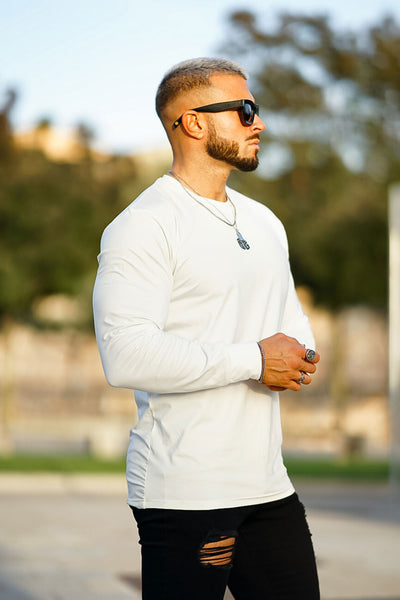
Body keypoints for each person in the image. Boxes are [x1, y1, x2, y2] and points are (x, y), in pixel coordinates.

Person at [93, 57, 320, 600]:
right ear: (193, 122)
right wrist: (255, 360)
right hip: (185, 492)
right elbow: (125, 355)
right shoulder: (143, 225)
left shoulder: (265, 222)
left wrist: (299, 356)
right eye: (244, 110)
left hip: (267, 484)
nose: (258, 123)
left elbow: (292, 325)